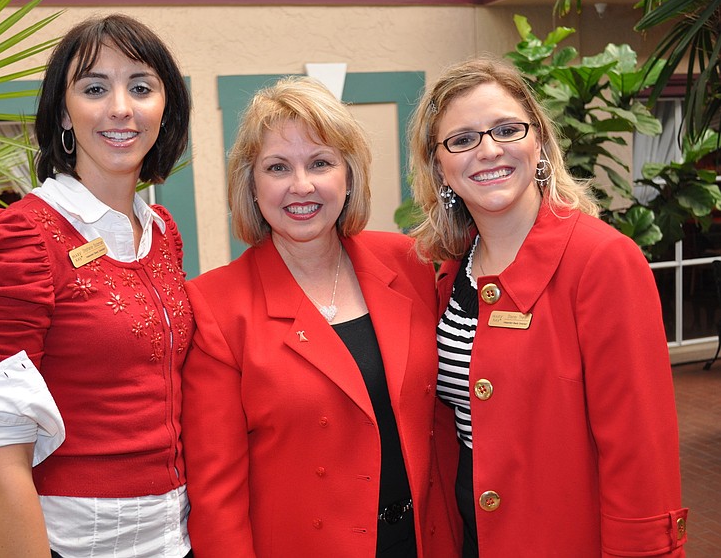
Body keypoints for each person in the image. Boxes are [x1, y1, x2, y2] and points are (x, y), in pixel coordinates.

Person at [407, 55, 688, 557]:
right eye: (463, 139)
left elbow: (641, 451)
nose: (488, 150)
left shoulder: (602, 261)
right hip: (470, 535)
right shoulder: (451, 272)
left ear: (538, 141)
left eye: (506, 129)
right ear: (440, 166)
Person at [180, 75, 458, 557]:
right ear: (251, 182)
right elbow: (217, 497)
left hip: (425, 540)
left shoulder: (407, 264)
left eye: (321, 162)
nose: (301, 185)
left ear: (349, 176)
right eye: (277, 167)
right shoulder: (217, 306)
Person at [0, 14, 194, 557]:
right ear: (64, 112)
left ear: (165, 107)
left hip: (178, 532)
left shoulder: (161, 232)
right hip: (81, 541)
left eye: (140, 87)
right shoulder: (21, 238)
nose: (120, 108)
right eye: (94, 88)